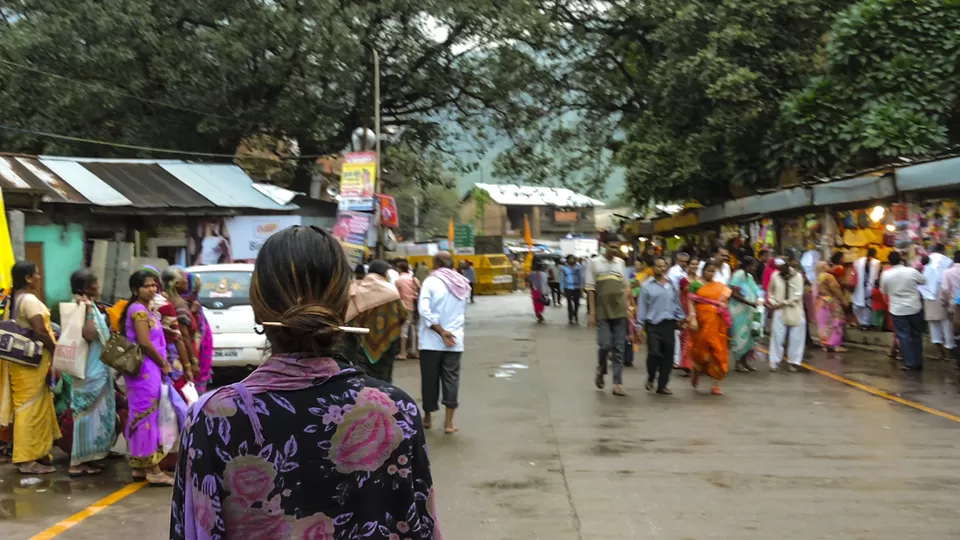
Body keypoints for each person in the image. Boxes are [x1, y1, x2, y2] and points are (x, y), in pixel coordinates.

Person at [170, 225, 440, 539]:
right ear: (344, 306)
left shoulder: (212, 417)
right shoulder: (397, 409)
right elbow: (420, 525)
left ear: (258, 308)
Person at [0, 261, 60, 474]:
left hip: (20, 364)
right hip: (31, 364)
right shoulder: (29, 300)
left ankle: (38, 452)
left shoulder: (13, 300)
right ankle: (26, 460)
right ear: (27, 278)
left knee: (36, 406)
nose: (39, 278)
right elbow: (40, 331)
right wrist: (56, 350)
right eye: (36, 274)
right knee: (29, 408)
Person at [121, 270, 175, 486]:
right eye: (147, 286)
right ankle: (153, 469)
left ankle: (139, 467)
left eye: (154, 285)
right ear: (135, 289)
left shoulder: (145, 310)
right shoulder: (138, 311)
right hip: (145, 370)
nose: (152, 289)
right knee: (147, 416)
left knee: (142, 414)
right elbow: (144, 342)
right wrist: (163, 363)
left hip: (147, 370)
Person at [59, 269, 116, 477]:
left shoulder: (86, 306)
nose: (99, 285)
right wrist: (92, 316)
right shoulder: (84, 307)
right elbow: (89, 334)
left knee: (95, 417)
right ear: (86, 287)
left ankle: (88, 459)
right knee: (85, 417)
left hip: (94, 368)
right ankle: (77, 462)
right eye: (95, 282)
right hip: (90, 371)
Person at [419, 250, 469, 434]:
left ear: (435, 263)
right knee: (451, 380)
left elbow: (423, 310)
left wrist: (440, 331)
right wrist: (449, 331)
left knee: (429, 380)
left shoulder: (431, 282)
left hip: (431, 341)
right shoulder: (462, 283)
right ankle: (449, 423)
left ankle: (427, 418)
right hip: (455, 340)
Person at [343, 260, 407, 383]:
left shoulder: (356, 289)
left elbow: (348, 316)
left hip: (361, 341)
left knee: (363, 377)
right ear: (384, 274)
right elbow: (403, 314)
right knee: (385, 376)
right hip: (387, 340)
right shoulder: (391, 291)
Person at [636, 256, 686, 395]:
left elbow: (676, 303)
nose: (661, 269)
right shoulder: (646, 287)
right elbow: (642, 307)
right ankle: (651, 376)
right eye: (658, 266)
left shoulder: (671, 285)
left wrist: (681, 318)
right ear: (653, 268)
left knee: (668, 356)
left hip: (669, 324)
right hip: (653, 325)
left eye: (663, 266)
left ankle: (662, 385)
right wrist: (639, 325)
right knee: (654, 353)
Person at [586, 243, 631, 396]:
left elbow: (625, 287)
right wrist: (592, 313)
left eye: (616, 247)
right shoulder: (594, 263)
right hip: (602, 312)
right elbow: (591, 290)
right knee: (604, 345)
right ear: (605, 246)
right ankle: (601, 368)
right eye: (611, 246)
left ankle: (617, 383)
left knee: (619, 349)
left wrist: (630, 307)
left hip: (620, 311)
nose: (614, 249)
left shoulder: (620, 263)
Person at [688, 261, 732, 395]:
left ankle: (715, 385)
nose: (711, 274)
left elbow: (725, 300)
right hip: (702, 322)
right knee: (700, 351)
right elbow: (691, 301)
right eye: (708, 271)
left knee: (717, 351)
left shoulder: (719, 286)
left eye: (713, 271)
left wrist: (723, 306)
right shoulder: (696, 285)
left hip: (717, 323)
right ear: (703, 271)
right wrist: (693, 317)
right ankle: (696, 370)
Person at [881, 251, 926, 371]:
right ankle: (918, 361)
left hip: (898, 309)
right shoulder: (911, 271)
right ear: (901, 259)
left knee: (904, 336)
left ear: (889, 262)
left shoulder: (886, 274)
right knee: (917, 335)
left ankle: (910, 362)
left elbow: (884, 291)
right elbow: (923, 281)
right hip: (914, 307)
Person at [767, 258, 806, 372]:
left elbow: (798, 294)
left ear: (787, 266)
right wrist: (773, 302)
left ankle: (793, 362)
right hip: (779, 310)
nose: (780, 270)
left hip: (795, 309)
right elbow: (771, 292)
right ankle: (774, 362)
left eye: (782, 268)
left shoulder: (797, 276)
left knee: (796, 337)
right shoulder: (775, 275)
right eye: (778, 268)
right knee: (777, 336)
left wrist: (785, 302)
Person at [921, 243, 954, 360]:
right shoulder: (947, 261)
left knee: (933, 323)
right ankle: (949, 350)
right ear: (943, 250)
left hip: (927, 293)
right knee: (946, 322)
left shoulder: (926, 259)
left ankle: (940, 351)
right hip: (941, 292)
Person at [729, 257, 762, 372]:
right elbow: (734, 294)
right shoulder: (738, 275)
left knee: (749, 336)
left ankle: (744, 361)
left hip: (750, 311)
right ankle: (738, 363)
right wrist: (749, 302)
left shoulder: (750, 277)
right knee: (740, 336)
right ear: (747, 265)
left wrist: (760, 301)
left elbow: (756, 291)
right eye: (753, 265)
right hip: (739, 311)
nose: (755, 268)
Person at [184, 273, 214, 393]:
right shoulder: (190, 302)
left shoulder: (191, 304)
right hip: (198, 346)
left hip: (197, 347)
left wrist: (193, 359)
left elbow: (196, 334)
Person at [814, 261, 848, 353]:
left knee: (823, 324)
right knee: (837, 321)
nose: (830, 266)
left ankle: (825, 344)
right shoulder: (829, 277)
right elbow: (835, 289)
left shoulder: (817, 278)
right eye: (828, 265)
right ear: (824, 267)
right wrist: (843, 299)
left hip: (820, 302)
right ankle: (835, 345)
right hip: (830, 301)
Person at [395, 261, 421, 360]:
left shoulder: (399, 280)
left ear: (399, 269)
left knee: (404, 330)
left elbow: (396, 295)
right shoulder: (414, 279)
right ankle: (416, 352)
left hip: (405, 307)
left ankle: (403, 353)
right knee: (415, 329)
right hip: (416, 307)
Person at [852, 248, 881, 329]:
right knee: (868, 305)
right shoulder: (877, 262)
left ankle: (862, 323)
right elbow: (878, 276)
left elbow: (854, 268)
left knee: (859, 305)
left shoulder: (859, 261)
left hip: (860, 287)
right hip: (870, 287)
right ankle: (867, 323)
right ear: (875, 254)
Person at [940, 252, 960, 364]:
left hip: (954, 306)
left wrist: (945, 301)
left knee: (956, 330)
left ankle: (957, 356)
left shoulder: (947, 273)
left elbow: (945, 290)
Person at [561, 255, 584, 324]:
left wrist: (582, 287)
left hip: (577, 287)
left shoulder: (579, 267)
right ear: (567, 260)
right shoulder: (564, 268)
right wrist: (561, 288)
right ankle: (570, 317)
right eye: (570, 259)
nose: (571, 260)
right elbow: (562, 279)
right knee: (569, 303)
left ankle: (575, 313)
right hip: (567, 287)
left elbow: (581, 277)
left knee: (576, 302)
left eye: (573, 259)